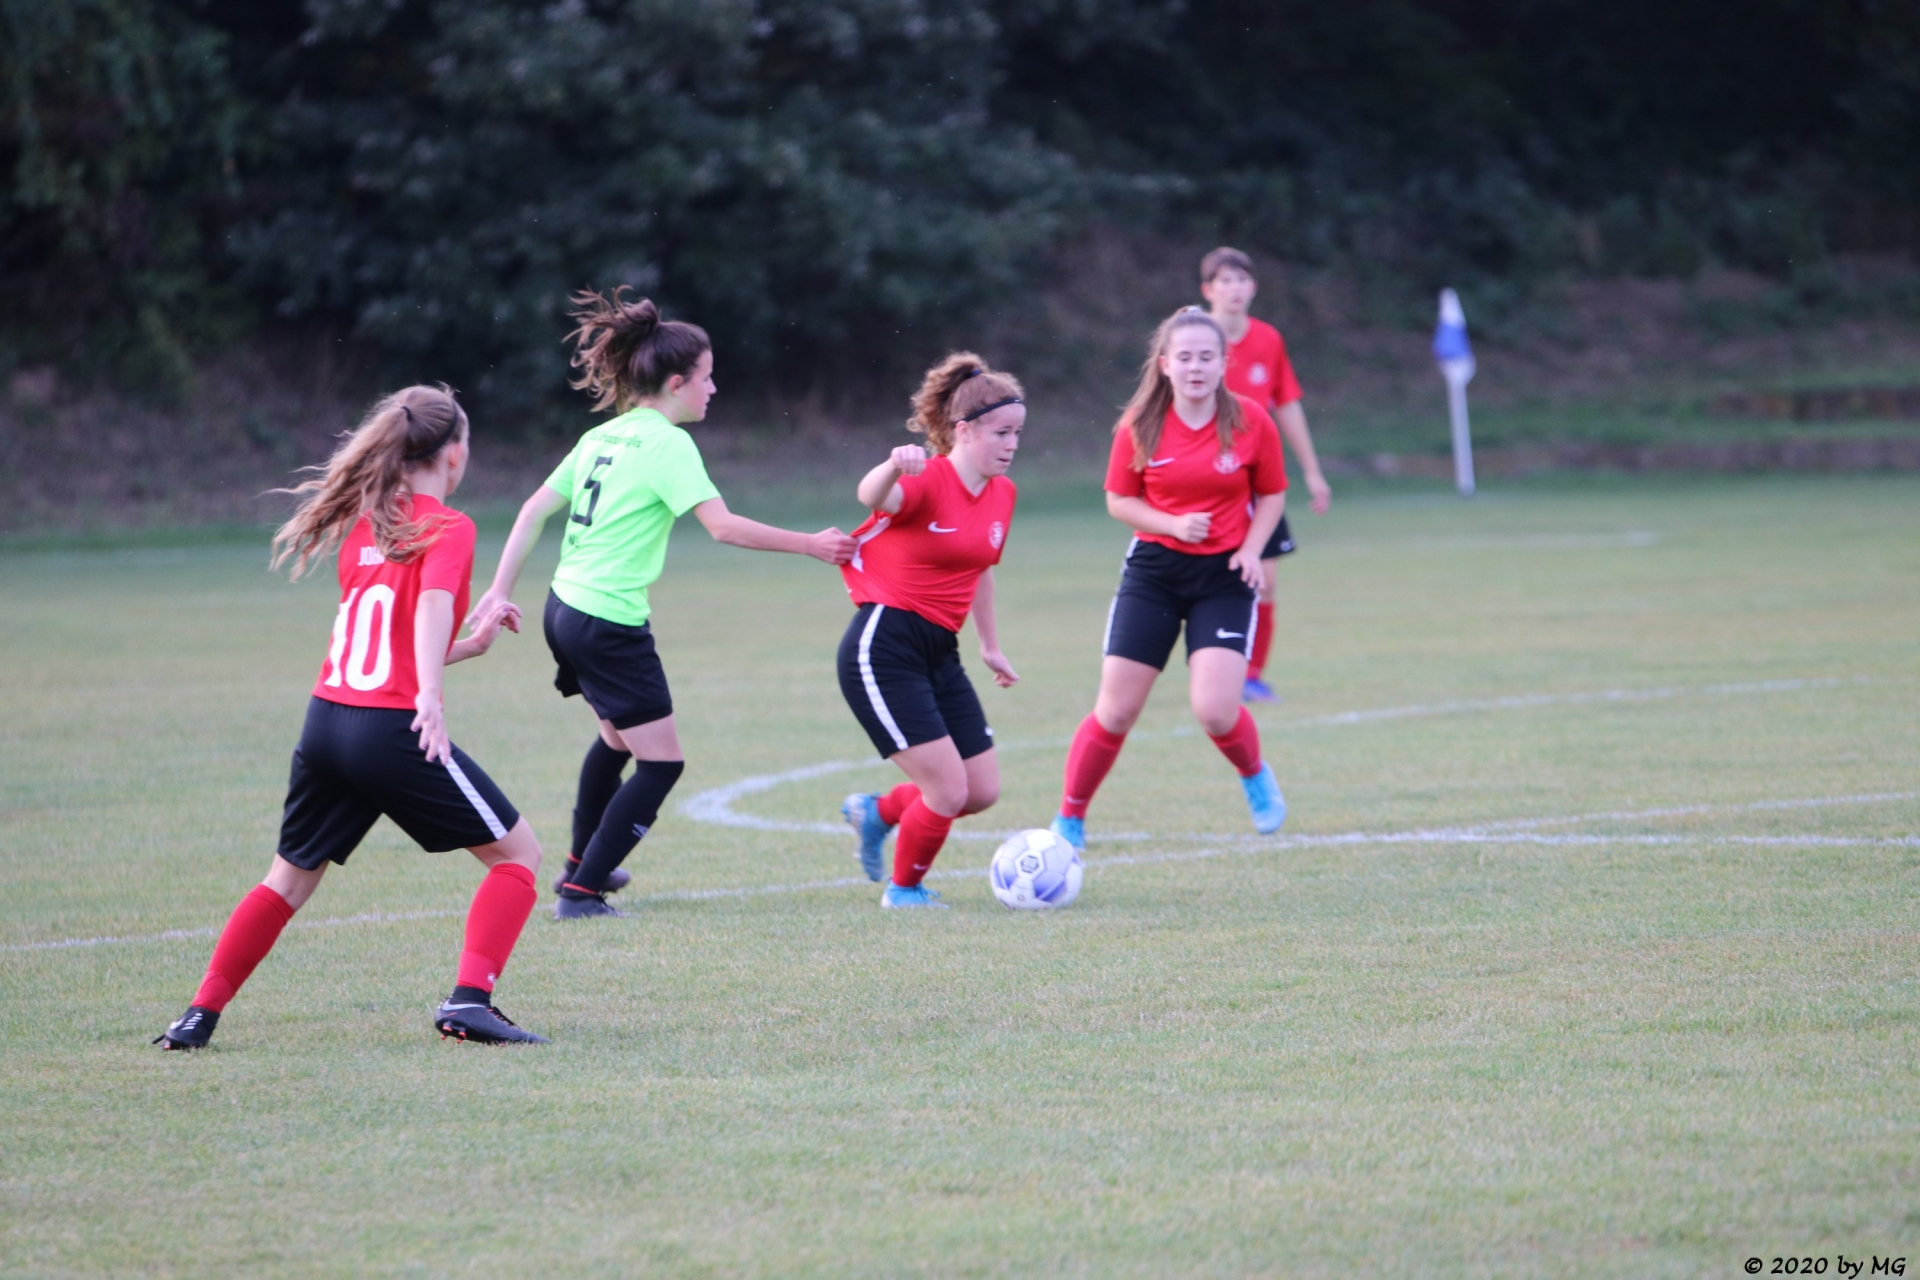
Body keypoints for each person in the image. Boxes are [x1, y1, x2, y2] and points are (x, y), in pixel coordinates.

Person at [155, 386, 549, 1049]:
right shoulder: (450, 527)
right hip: (388, 729)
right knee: (519, 856)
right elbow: (428, 609)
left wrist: (468, 646)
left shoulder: (367, 525)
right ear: (453, 454)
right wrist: (430, 695)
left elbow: (386, 645)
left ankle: (197, 1016)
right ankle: (469, 1002)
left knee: (286, 881)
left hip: (327, 725)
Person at [471, 289, 855, 919]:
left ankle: (579, 864)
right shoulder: (668, 444)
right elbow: (723, 528)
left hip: (563, 608)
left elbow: (533, 509)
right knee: (662, 764)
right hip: (606, 619)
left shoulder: (604, 434)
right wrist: (811, 544)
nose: (714, 389)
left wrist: (499, 588)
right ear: (677, 383)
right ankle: (582, 893)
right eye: (707, 377)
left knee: (616, 740)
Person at [1048, 308, 1289, 852]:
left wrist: (1252, 550)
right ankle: (1070, 816)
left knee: (1215, 710)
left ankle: (1254, 774)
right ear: (1164, 364)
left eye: (1206, 357)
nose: (1195, 367)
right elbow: (1119, 500)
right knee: (1116, 709)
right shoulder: (1140, 424)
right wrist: (1173, 524)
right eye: (1184, 357)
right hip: (1155, 574)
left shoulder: (1250, 420)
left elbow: (1273, 494)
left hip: (1225, 577)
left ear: (1224, 363)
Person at [837, 353, 1023, 908]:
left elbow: (980, 567)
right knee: (946, 789)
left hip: (940, 650)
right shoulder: (927, 479)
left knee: (980, 790)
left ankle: (879, 812)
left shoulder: (1002, 494)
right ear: (964, 431)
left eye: (1018, 433)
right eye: (1001, 433)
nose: (1012, 444)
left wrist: (990, 645)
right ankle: (904, 891)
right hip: (884, 646)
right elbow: (871, 496)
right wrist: (894, 465)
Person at [1199, 246, 1332, 703]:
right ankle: (1206, 665)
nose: (1234, 289)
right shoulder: (1195, 340)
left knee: (1266, 581)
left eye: (1241, 280)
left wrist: (1312, 471)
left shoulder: (1268, 339)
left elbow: (1287, 405)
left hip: (1257, 482)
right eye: (1225, 280)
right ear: (1208, 290)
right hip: (1205, 482)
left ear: (1253, 287)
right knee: (1202, 579)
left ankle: (1251, 676)